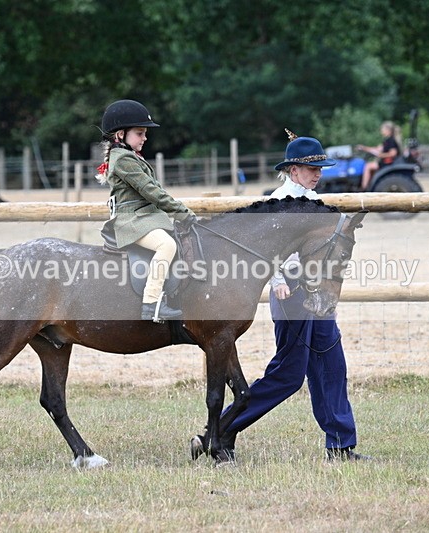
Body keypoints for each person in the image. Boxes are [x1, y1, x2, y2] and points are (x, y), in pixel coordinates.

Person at [200, 130, 369, 462]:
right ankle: (219, 431)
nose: (318, 174)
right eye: (312, 169)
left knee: (332, 366)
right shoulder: (281, 202)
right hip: (291, 294)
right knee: (288, 375)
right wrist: (277, 278)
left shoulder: (314, 202)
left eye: (320, 168)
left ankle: (341, 444)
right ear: (294, 171)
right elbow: (267, 246)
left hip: (315, 295)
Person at [95, 99, 196, 322]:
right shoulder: (123, 160)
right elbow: (151, 191)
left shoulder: (129, 156)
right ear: (121, 135)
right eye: (140, 133)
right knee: (166, 244)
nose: (145, 138)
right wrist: (181, 211)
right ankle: (151, 304)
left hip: (145, 218)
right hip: (132, 221)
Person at [357, 121, 401, 191]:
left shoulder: (391, 140)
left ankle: (363, 188)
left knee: (368, 166)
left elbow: (393, 153)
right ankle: (368, 185)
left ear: (388, 130)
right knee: (370, 165)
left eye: (382, 129)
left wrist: (381, 155)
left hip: (387, 163)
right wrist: (364, 148)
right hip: (384, 163)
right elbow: (377, 149)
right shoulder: (387, 141)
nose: (381, 131)